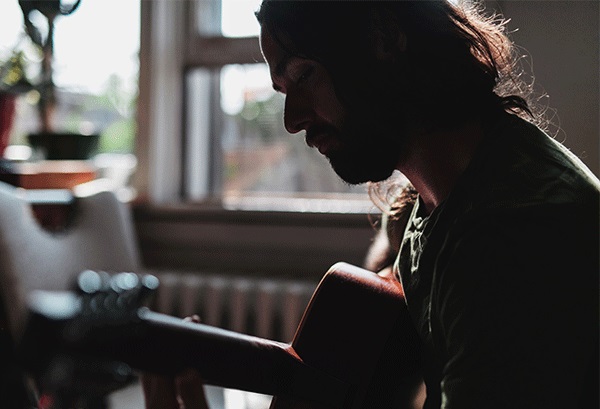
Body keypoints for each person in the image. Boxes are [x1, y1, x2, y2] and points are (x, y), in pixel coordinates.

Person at [144, 1, 599, 408]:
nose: (291, 119)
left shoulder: (521, 233)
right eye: (284, 90)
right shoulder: (416, 205)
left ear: (383, 38)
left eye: (304, 74)